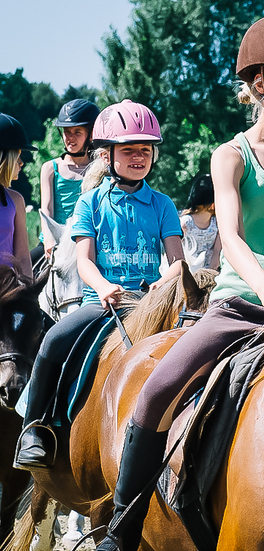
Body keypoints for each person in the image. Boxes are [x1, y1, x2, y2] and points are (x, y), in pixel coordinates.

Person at [58, 12, 264, 551]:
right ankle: (119, 539)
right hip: (239, 308)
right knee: (153, 391)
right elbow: (231, 235)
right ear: (261, 83)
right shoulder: (230, 156)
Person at [14, 99, 185, 473]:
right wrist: (105, 286)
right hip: (102, 302)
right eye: (128, 150)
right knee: (54, 340)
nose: (139, 157)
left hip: (150, 302)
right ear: (107, 156)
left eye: (145, 149)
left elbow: (178, 263)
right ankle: (34, 428)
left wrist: (160, 284)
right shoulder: (89, 203)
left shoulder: (163, 204)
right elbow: (85, 261)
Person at [31, 100, 101, 266]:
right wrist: (48, 239)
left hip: (87, 241)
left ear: (91, 134)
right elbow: (47, 210)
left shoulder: (99, 170)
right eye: (67, 132)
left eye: (77, 132)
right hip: (53, 241)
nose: (70, 137)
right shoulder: (50, 168)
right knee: (22, 275)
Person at [0, 113, 36, 278]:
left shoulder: (16, 200)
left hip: (8, 290)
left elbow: (22, 257)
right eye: (17, 155)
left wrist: (28, 293)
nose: (21, 162)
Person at [180, 173, 221, 270]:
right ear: (213, 204)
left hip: (209, 274)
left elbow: (217, 254)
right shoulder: (185, 223)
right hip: (187, 274)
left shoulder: (217, 224)